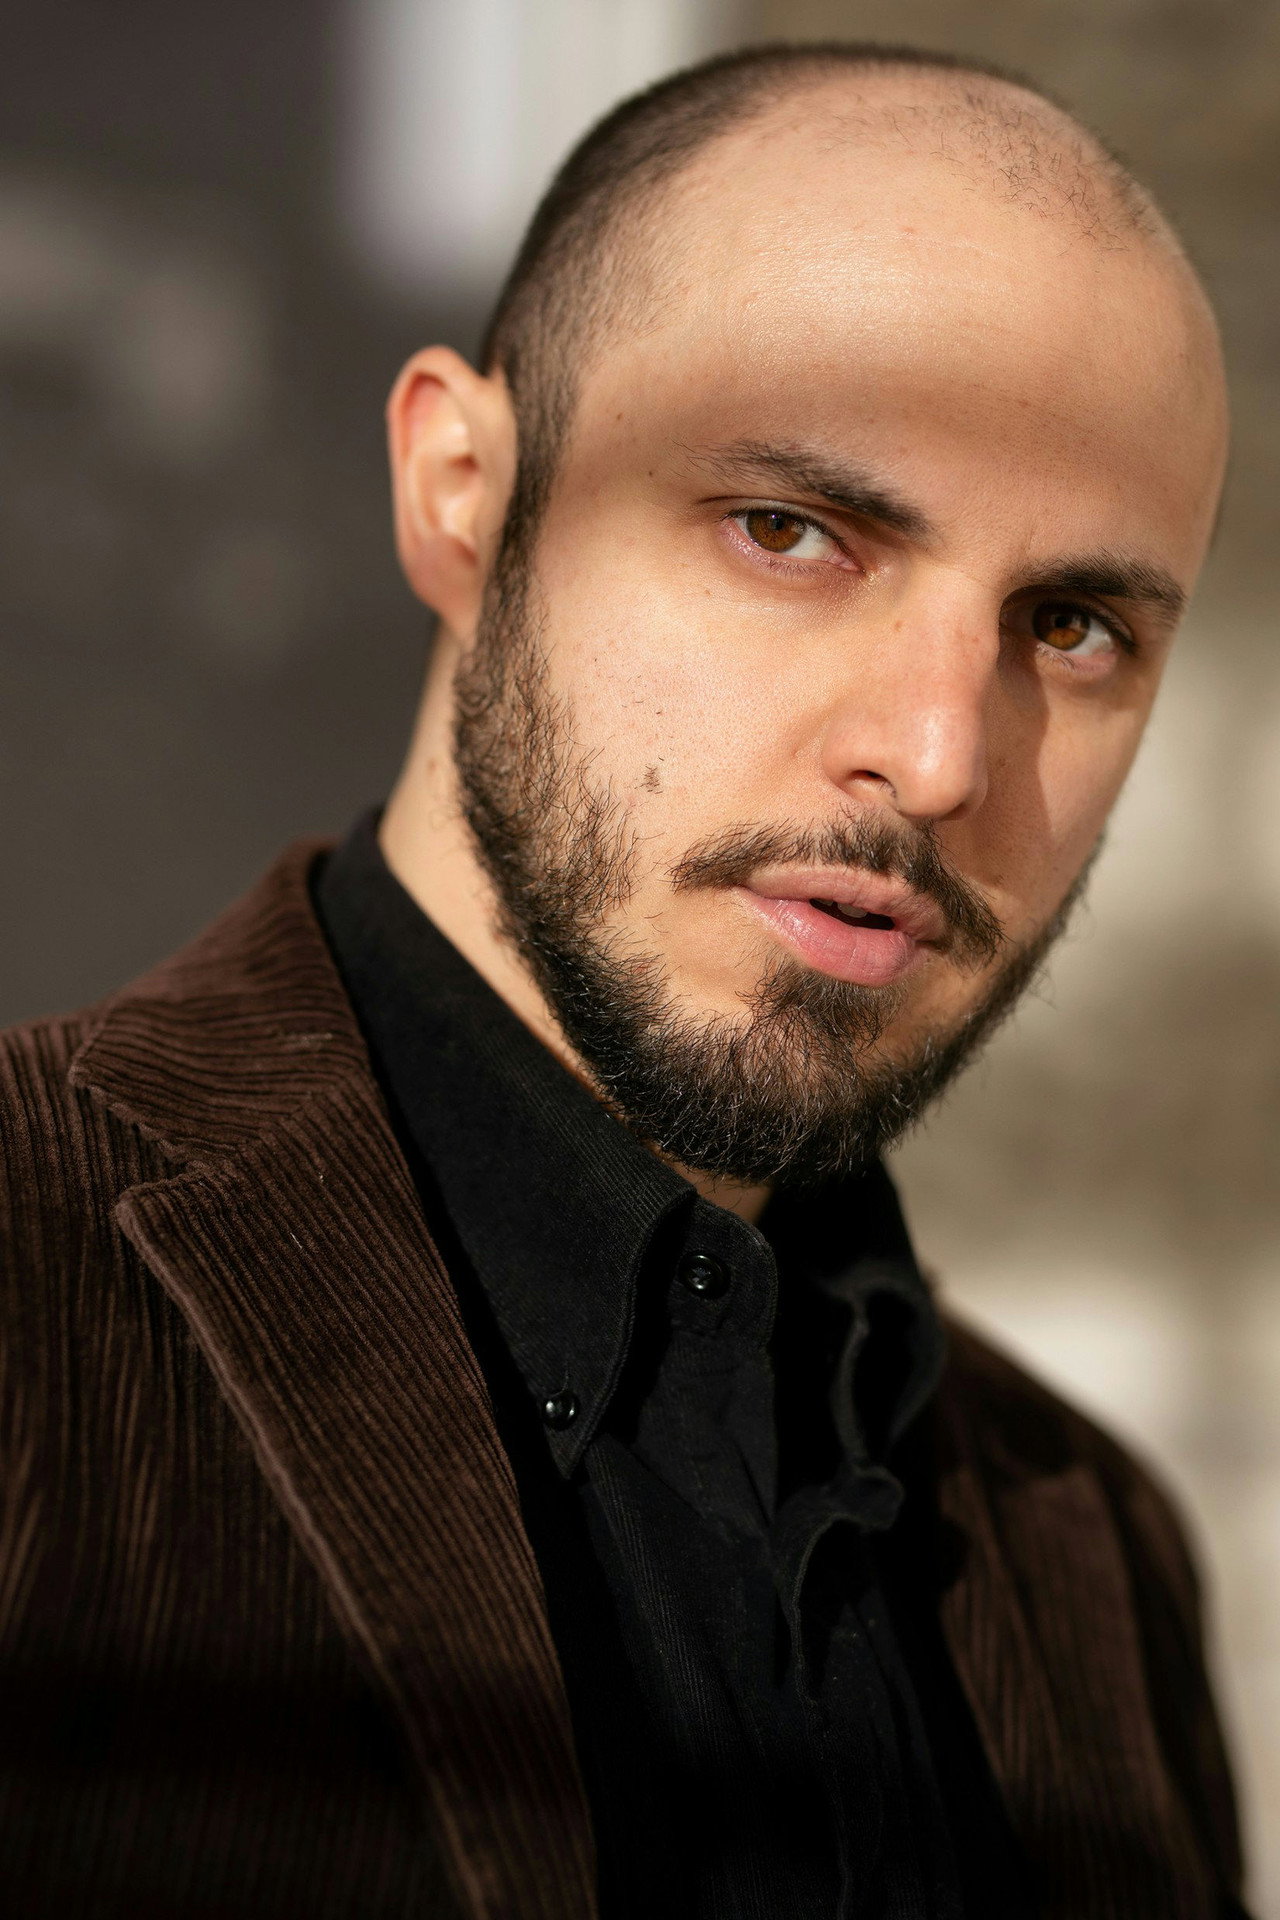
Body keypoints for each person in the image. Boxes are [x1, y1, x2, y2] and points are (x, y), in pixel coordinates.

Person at [0, 39, 1247, 1920]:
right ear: (462, 493)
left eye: (1070, 627)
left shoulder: (1097, 1553)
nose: (938, 758)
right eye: (793, 532)